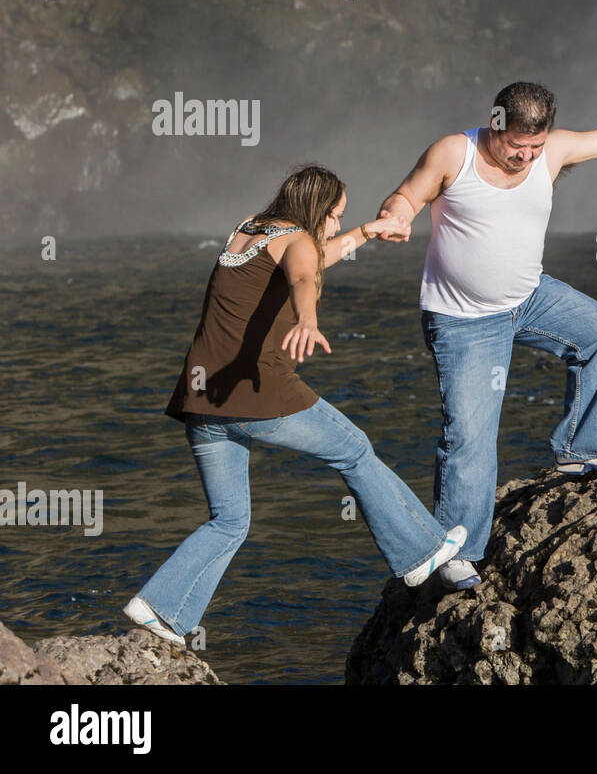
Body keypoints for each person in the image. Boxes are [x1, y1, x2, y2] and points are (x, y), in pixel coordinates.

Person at [375, 82, 597, 590]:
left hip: (528, 298)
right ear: (496, 123)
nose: (525, 156)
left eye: (535, 147)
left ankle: (583, 448)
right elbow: (407, 193)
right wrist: (397, 214)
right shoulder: (455, 152)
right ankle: (457, 550)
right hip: (463, 319)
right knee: (470, 436)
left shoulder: (550, 152)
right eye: (518, 144)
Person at [123, 165, 467, 648]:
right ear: (318, 210)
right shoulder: (300, 241)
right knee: (353, 448)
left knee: (229, 520)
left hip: (201, 402)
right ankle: (420, 553)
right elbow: (306, 274)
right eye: (336, 216)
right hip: (258, 393)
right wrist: (308, 319)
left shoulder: (250, 228)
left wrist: (367, 230)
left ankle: (160, 606)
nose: (333, 225)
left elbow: (313, 256)